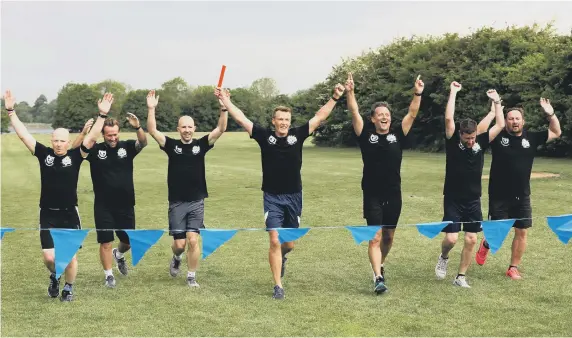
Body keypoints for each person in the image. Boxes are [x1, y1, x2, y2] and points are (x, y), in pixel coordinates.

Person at [215, 82, 346, 299]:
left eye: (287, 119)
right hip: (272, 197)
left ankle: (283, 257)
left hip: (294, 196)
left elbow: (320, 117)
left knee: (289, 244)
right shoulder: (265, 136)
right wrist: (225, 101)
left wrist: (335, 97)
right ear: (273, 121)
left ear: (289, 121)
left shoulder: (298, 134)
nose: (284, 123)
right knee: (274, 240)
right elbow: (241, 118)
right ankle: (278, 286)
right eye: (280, 119)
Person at [3, 89, 94, 302]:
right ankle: (55, 275)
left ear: (68, 141)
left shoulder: (76, 156)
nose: (58, 144)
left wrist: (102, 116)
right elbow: (24, 134)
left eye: (62, 141)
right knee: (49, 257)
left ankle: (68, 289)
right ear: (52, 141)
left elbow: (91, 137)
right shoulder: (44, 155)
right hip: (48, 214)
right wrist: (10, 111)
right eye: (55, 141)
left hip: (70, 214)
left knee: (70, 257)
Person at [346, 73, 424, 294]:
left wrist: (417, 92)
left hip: (394, 194)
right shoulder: (365, 134)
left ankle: (380, 263)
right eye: (380, 114)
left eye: (387, 114)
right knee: (375, 236)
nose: (384, 117)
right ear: (372, 118)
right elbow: (354, 112)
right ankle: (378, 277)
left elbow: (412, 112)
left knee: (388, 236)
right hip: (371, 193)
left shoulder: (398, 134)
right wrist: (350, 92)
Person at [146, 89, 228, 287]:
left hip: (197, 201)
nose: (187, 130)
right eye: (183, 127)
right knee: (179, 244)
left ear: (194, 128)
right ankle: (176, 258)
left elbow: (220, 129)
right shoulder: (172, 146)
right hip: (177, 202)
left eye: (190, 127)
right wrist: (151, 109)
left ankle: (191, 276)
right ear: (178, 129)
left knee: (193, 240)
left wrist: (224, 108)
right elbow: (153, 131)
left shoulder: (201, 145)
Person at [475, 98, 562, 279]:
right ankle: (486, 244)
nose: (514, 122)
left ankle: (513, 267)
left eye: (517, 119)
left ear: (523, 121)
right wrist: (493, 112)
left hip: (522, 195)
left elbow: (556, 131)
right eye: (510, 119)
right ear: (505, 121)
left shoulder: (531, 137)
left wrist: (550, 114)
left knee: (522, 231)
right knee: (498, 232)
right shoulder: (498, 136)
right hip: (499, 194)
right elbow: (480, 132)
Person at [434, 82, 505, 288]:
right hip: (453, 199)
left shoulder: (480, 143)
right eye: (467, 139)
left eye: (473, 138)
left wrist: (497, 103)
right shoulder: (452, 142)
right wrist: (453, 92)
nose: (471, 141)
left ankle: (461, 277)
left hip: (474, 199)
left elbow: (499, 125)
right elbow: (449, 118)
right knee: (452, 239)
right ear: (460, 135)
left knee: (472, 239)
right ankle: (444, 257)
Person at [79, 92, 148, 288]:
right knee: (105, 242)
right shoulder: (96, 150)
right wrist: (85, 133)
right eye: (109, 135)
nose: (113, 138)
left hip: (126, 203)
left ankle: (119, 255)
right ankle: (109, 275)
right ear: (103, 134)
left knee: (127, 242)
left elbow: (143, 142)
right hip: (103, 206)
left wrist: (138, 128)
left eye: (116, 134)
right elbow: (78, 149)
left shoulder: (126, 147)